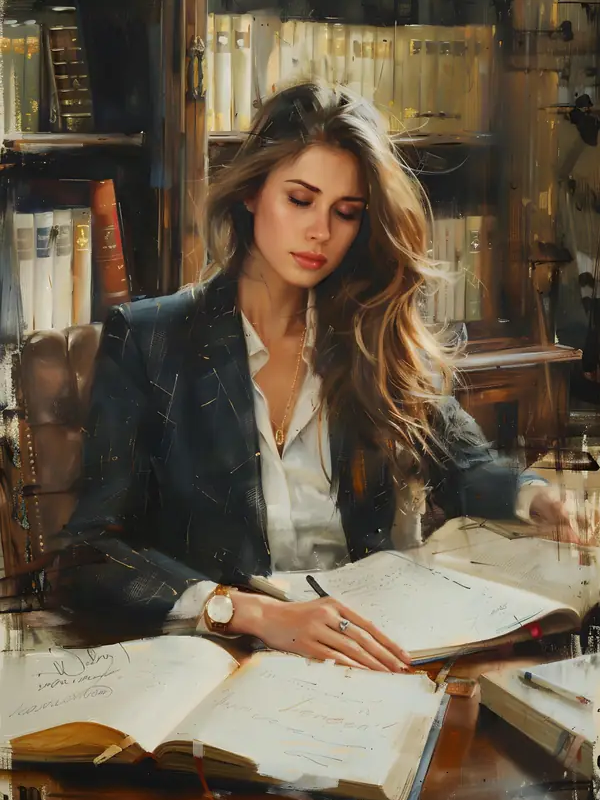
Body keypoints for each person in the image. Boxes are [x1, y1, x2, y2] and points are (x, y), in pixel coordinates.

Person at [55, 82, 574, 672]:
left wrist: (538, 499)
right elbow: (89, 556)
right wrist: (242, 611)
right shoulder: (150, 340)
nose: (321, 232)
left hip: (375, 654)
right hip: (223, 659)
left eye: (345, 212)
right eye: (300, 200)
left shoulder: (372, 335)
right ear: (252, 191)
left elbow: (464, 466)